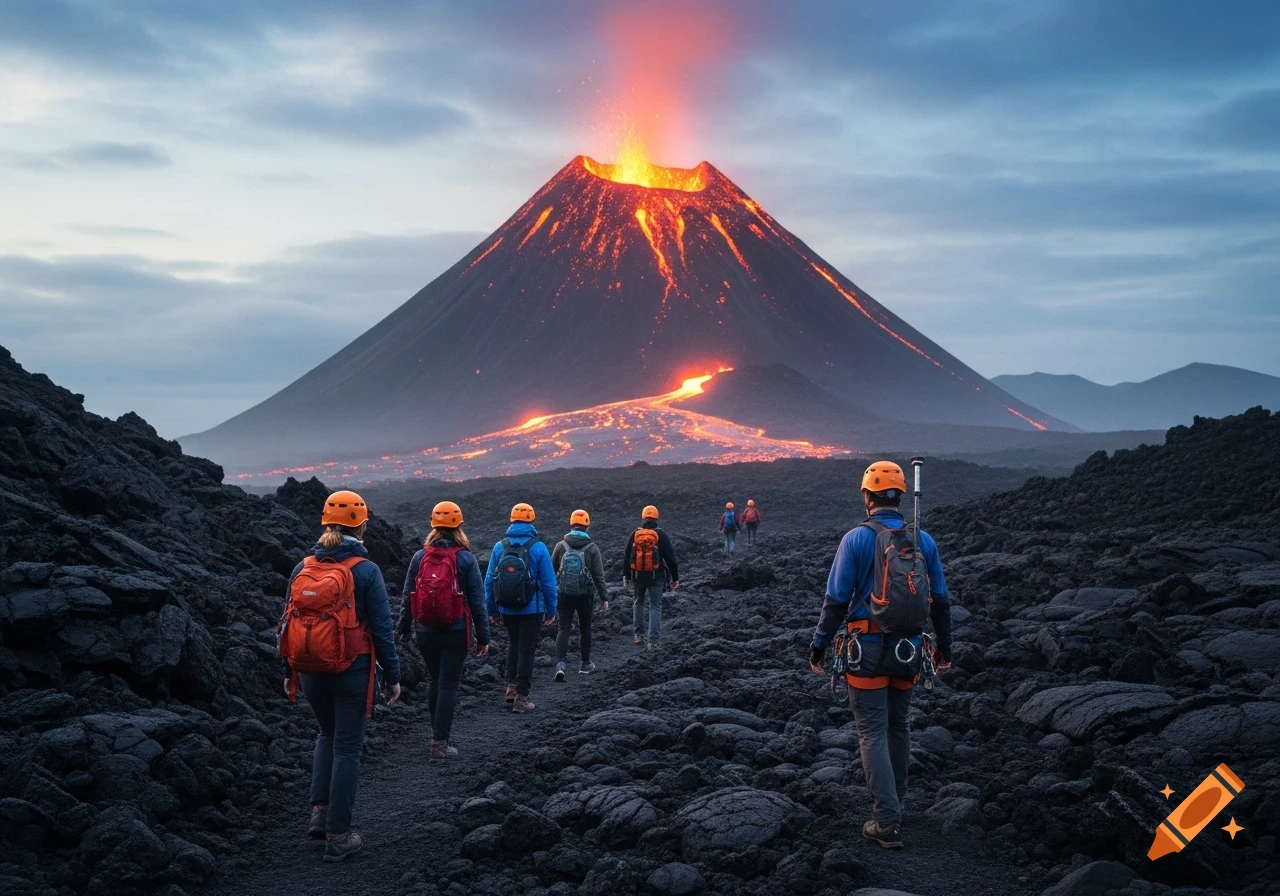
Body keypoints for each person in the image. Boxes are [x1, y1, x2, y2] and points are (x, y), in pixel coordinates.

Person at [807, 461, 953, 849]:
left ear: (867, 496)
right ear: (900, 496)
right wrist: (944, 647)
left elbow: (836, 600)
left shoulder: (855, 539)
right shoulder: (924, 541)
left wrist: (818, 646)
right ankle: (896, 803)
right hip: (910, 647)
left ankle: (886, 821)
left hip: (865, 647)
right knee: (898, 725)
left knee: (871, 729)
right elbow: (940, 600)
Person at [278, 490, 401, 863]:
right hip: (352, 669)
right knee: (347, 747)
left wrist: (290, 671)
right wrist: (392, 675)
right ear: (361, 526)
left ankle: (319, 813)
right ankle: (338, 834)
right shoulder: (366, 570)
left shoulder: (303, 567)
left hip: (310, 670)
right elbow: (382, 628)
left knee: (326, 735)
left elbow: (286, 624)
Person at [397, 501, 490, 759]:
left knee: (435, 680)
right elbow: (477, 601)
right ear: (459, 527)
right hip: (455, 631)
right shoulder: (466, 559)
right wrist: (484, 637)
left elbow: (408, 596)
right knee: (448, 683)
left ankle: (435, 733)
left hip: (424, 631)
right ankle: (440, 741)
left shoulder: (419, 557)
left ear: (433, 526)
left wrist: (404, 632)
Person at [485, 503, 557, 713]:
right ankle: (522, 697)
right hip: (531, 609)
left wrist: (491, 610)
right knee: (527, 650)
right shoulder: (538, 547)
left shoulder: (500, 546)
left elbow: (489, 580)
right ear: (531, 521)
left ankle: (510, 688)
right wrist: (551, 610)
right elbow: (548, 583)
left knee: (513, 644)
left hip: (507, 609)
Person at [550, 509, 610, 680]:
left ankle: (561, 664)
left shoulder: (561, 546)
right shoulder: (592, 548)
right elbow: (598, 575)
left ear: (571, 524)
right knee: (585, 628)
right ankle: (585, 664)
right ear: (587, 525)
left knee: (563, 628)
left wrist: (550, 594)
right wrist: (604, 597)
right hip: (585, 596)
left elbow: (551, 570)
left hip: (564, 594)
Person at [623, 505, 679, 650]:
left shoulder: (635, 534)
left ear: (643, 517)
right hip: (656, 576)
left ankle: (638, 635)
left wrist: (626, 575)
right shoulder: (661, 535)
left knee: (638, 602)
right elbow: (670, 558)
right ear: (656, 518)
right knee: (655, 606)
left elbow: (627, 555)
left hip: (637, 576)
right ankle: (653, 641)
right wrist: (675, 578)